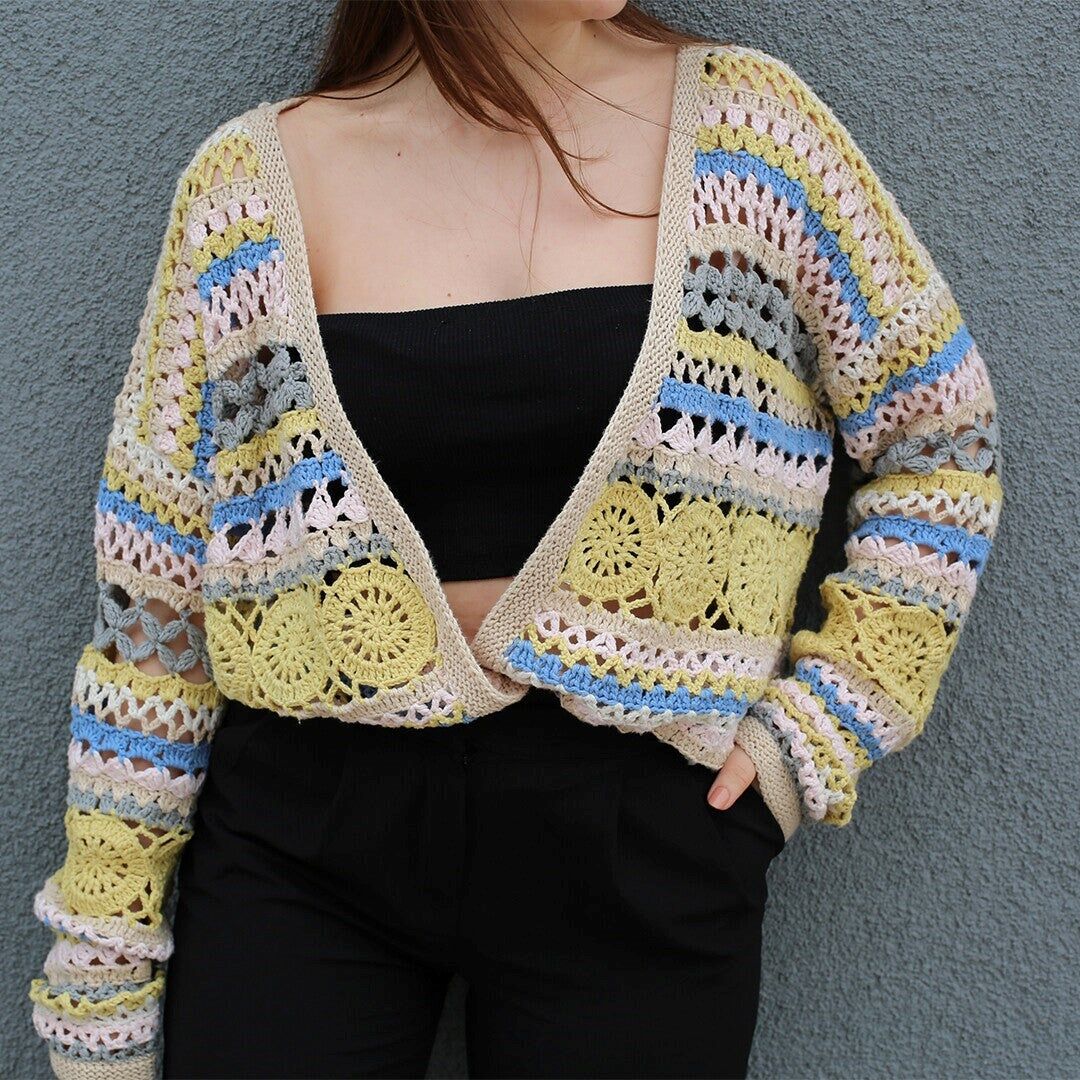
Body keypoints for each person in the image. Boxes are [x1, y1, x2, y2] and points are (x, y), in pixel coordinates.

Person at [28, 2, 1003, 1078]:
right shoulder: (249, 191)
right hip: (302, 846)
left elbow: (942, 447)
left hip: (640, 848)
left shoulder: (756, 139)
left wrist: (813, 733)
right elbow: (154, 605)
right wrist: (101, 959)